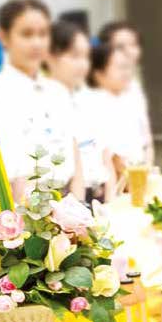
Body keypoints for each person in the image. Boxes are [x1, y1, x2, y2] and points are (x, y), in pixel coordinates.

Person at [0, 0, 83, 197]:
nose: (37, 43)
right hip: (21, 207)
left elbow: (76, 160)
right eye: (26, 34)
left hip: (70, 204)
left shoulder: (58, 92)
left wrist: (78, 206)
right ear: (3, 36)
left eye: (43, 34)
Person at [47, 19, 113, 203]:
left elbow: (105, 158)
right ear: (50, 56)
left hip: (99, 197)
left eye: (86, 57)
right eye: (75, 56)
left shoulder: (89, 100)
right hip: (66, 201)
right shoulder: (43, 103)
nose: (83, 64)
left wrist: (110, 203)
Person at [98, 20, 153, 165]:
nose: (129, 51)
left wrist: (147, 167)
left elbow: (147, 140)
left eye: (133, 44)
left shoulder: (134, 87)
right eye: (120, 46)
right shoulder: (96, 94)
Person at [86, 42, 140, 181]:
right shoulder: (92, 104)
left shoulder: (127, 100)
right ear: (99, 74)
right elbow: (112, 157)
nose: (126, 73)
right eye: (120, 68)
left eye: (127, 67)